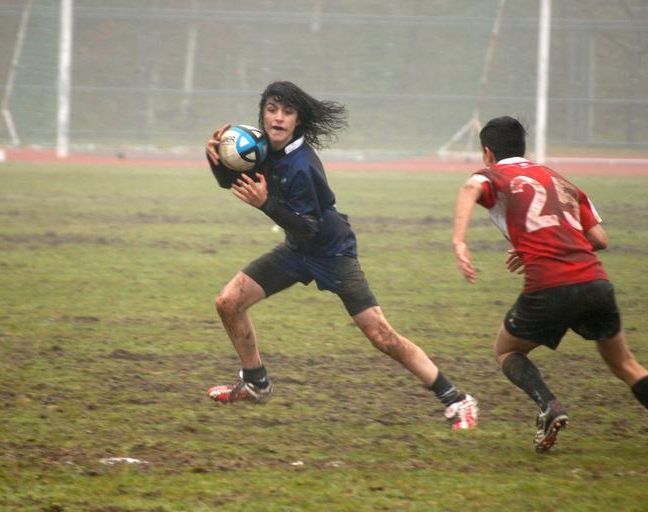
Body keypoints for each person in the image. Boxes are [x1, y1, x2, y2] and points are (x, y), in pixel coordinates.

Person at [203, 81, 478, 429]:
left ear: (298, 120)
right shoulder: (262, 149)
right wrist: (217, 160)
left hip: (333, 253)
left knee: (381, 335)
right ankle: (255, 383)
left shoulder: (303, 164)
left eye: (287, 111)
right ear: (262, 114)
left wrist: (266, 204)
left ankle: (458, 399)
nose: (278, 117)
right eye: (272, 110)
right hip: (296, 251)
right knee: (228, 302)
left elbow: (309, 228)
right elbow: (230, 182)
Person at [451, 115, 648, 453]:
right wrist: (540, 244)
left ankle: (549, 405)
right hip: (595, 282)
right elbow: (599, 239)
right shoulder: (560, 180)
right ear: (523, 148)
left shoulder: (495, 175)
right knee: (625, 364)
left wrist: (459, 242)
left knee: (506, 351)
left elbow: (470, 187)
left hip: (550, 285)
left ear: (487, 153)